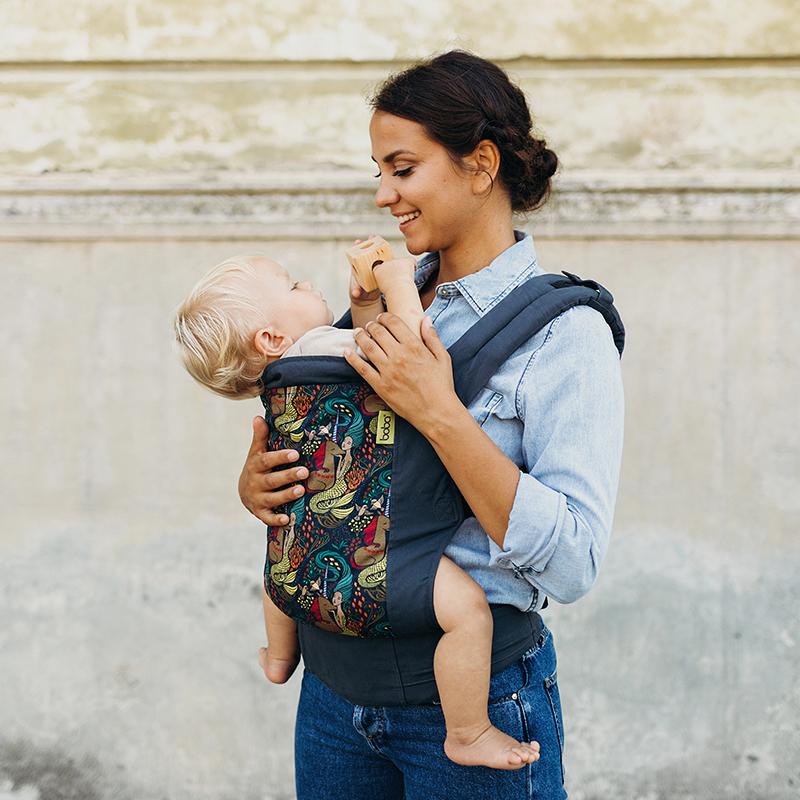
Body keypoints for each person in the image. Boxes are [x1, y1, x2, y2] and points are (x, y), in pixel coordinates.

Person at [238, 50, 624, 799]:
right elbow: (336, 471)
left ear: (480, 164)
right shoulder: (376, 310)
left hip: (473, 699)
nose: (383, 194)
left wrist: (440, 413)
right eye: (377, 170)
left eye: (403, 168)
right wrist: (261, 485)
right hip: (332, 696)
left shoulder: (565, 334)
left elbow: (574, 562)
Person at [173, 250, 540, 769]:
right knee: (469, 616)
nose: (309, 286)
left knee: (282, 567)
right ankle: (469, 730)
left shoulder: (285, 382)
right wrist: (393, 282)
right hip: (382, 554)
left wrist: (361, 307)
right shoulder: (321, 347)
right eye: (295, 285)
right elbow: (409, 350)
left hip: (305, 552)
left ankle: (279, 658)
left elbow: (358, 368)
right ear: (273, 339)